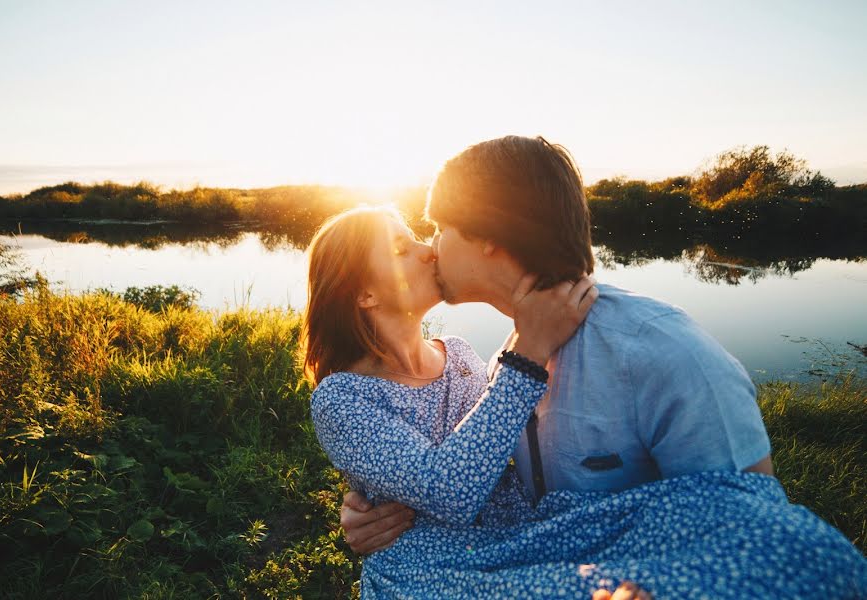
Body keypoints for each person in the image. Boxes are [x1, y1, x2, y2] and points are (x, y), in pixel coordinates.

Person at [327, 137, 866, 597]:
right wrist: (377, 514)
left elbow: (749, 524)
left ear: (489, 234)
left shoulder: (663, 350)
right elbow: (464, 470)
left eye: (438, 227)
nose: (429, 248)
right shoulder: (506, 364)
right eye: (408, 243)